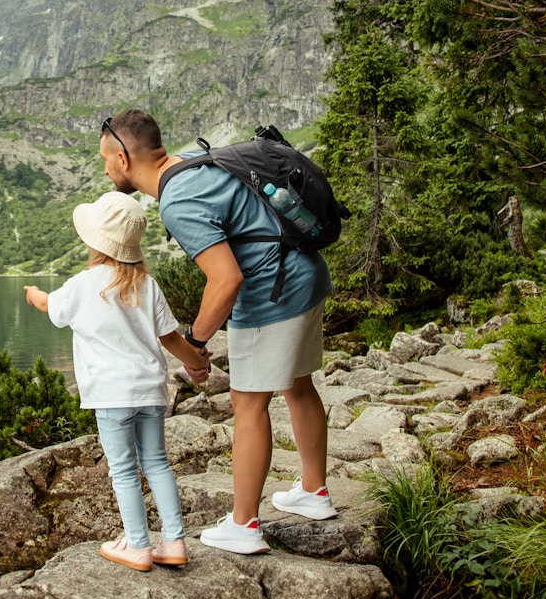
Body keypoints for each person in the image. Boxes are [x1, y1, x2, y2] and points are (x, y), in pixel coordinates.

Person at [98, 109, 338, 556]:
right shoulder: (193, 162)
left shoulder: (177, 200)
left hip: (275, 291)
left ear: (124, 158)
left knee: (248, 404)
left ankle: (245, 524)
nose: (105, 168)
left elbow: (226, 279)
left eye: (106, 160)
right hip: (306, 272)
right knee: (299, 385)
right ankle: (313, 491)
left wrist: (196, 342)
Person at [23, 191, 212, 572]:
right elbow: (171, 338)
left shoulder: (81, 284)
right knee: (157, 463)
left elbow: (50, 308)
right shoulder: (148, 285)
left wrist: (34, 294)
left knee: (123, 469)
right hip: (150, 391)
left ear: (94, 242)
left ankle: (138, 545)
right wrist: (197, 364)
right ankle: (173, 541)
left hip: (111, 396)